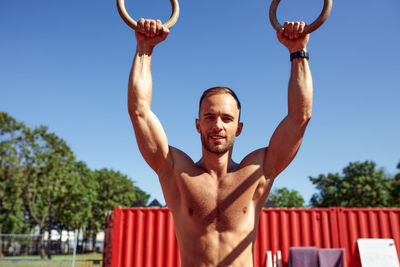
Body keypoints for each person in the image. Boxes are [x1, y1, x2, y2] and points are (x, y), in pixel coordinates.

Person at [128, 18, 312, 267]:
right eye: (210, 117)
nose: (218, 125)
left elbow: (300, 117)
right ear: (197, 125)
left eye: (227, 119)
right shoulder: (177, 172)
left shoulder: (257, 172)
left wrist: (298, 51)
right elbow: (139, 111)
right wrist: (144, 49)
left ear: (239, 128)